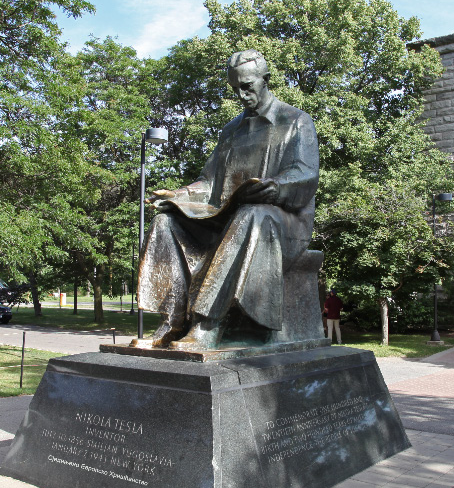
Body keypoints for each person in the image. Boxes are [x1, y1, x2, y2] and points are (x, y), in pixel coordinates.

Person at [136, 50, 319, 349]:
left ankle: (207, 325)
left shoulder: (296, 121)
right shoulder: (231, 131)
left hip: (284, 223)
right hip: (228, 219)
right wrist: (178, 195)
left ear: (266, 80)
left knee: (252, 214)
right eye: (235, 88)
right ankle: (171, 321)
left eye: (247, 86)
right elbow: (210, 182)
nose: (241, 94)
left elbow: (306, 174)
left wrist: (274, 187)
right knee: (165, 221)